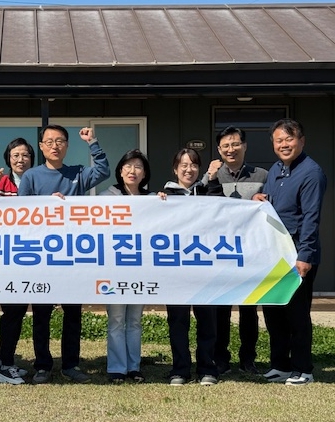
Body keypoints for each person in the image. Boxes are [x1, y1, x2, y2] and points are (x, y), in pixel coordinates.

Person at [18, 124, 110, 384]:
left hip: (72, 256)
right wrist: (46, 205)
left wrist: (93, 143)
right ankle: (42, 365)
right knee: (41, 315)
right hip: (42, 256)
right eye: (49, 142)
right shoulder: (31, 176)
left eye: (59, 141)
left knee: (73, 314)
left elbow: (103, 171)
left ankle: (71, 365)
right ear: (41, 147)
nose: (54, 146)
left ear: (67, 145)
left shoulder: (77, 173)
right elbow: (21, 213)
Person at [253, 119, 326, 385]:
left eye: (289, 139)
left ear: (301, 141)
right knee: (274, 311)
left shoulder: (311, 173)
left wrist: (305, 255)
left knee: (296, 313)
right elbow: (273, 204)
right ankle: (280, 365)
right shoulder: (276, 169)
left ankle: (303, 369)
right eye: (279, 140)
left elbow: (311, 218)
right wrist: (260, 198)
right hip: (275, 252)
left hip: (297, 254)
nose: (284, 144)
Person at [203, 126, 268, 375]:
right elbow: (197, 201)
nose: (231, 149)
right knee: (221, 309)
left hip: (251, 252)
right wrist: (208, 177)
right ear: (219, 150)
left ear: (245, 146)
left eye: (235, 144)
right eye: (225, 146)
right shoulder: (213, 175)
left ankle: (248, 359)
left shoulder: (262, 174)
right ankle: (221, 358)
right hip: (220, 252)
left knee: (249, 309)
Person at [160, 148, 223, 386]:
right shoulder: (164, 196)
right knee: (178, 321)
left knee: (207, 321)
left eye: (194, 165)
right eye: (184, 165)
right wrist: (157, 203)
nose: (189, 170)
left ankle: (207, 368)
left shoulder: (206, 191)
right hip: (175, 270)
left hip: (204, 267)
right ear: (175, 169)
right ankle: (180, 370)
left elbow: (222, 208)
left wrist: (213, 179)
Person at [0, 137, 36, 384]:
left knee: (20, 310)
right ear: (8, 158)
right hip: (6, 257)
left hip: (32, 255)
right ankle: (5, 364)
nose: (20, 160)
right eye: (15, 155)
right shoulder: (2, 182)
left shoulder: (38, 180)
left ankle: (4, 360)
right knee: (12, 311)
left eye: (25, 155)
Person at [100, 149, 152, 384]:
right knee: (116, 319)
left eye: (138, 167)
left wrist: (164, 202)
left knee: (134, 320)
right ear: (120, 171)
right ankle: (117, 368)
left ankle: (134, 367)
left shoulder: (152, 200)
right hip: (114, 269)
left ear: (145, 173)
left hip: (140, 268)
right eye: (128, 166)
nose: (133, 171)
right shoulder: (106, 197)